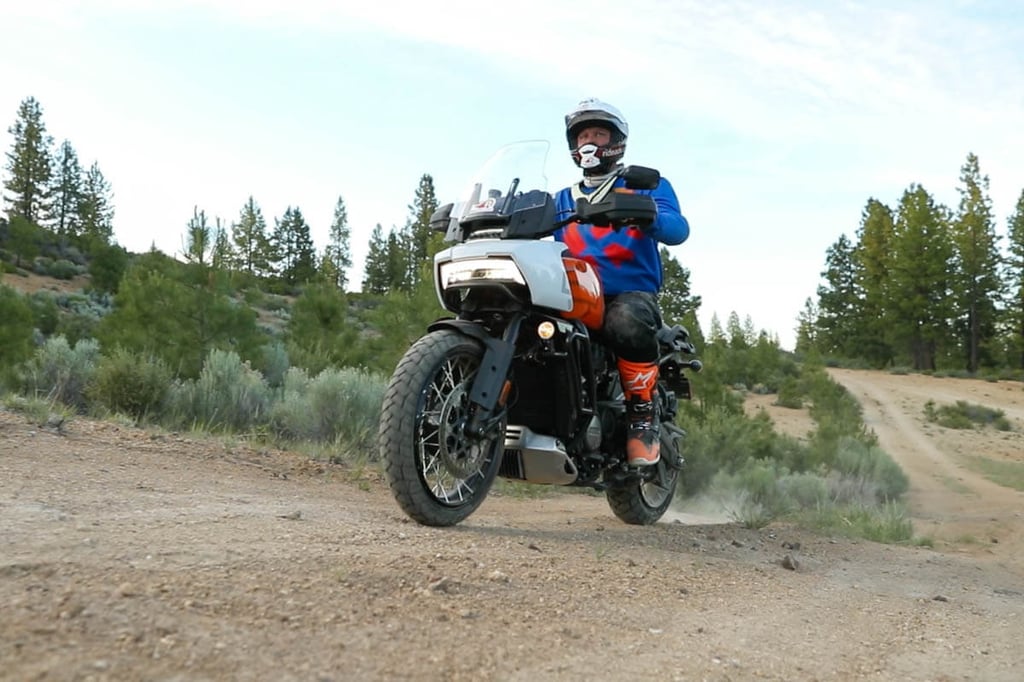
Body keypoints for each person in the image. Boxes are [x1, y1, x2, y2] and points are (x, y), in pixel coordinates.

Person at [553, 97, 690, 467]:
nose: (589, 143)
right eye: (583, 135)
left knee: (625, 321)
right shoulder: (561, 199)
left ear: (615, 141)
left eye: (598, 134)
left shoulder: (644, 186)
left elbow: (678, 229)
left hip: (627, 293)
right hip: (574, 292)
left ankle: (641, 414)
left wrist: (646, 216)